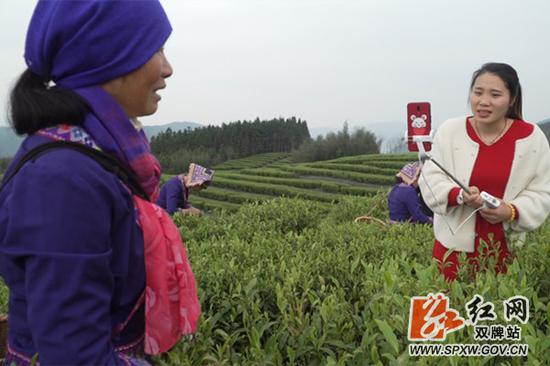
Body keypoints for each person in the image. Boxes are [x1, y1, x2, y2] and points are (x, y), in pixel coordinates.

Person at [0, 1, 200, 365]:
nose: (167, 69)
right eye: (156, 49)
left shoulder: (95, 158)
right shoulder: (62, 181)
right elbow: (74, 355)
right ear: (110, 56)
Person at [419, 62, 550, 281]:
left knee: (501, 309)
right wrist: (459, 195)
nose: (483, 102)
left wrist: (510, 211)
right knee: (453, 308)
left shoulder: (531, 138)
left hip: (507, 254)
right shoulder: (450, 131)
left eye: (495, 94)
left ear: (512, 99)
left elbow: (541, 192)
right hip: (453, 254)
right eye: (477, 92)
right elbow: (431, 178)